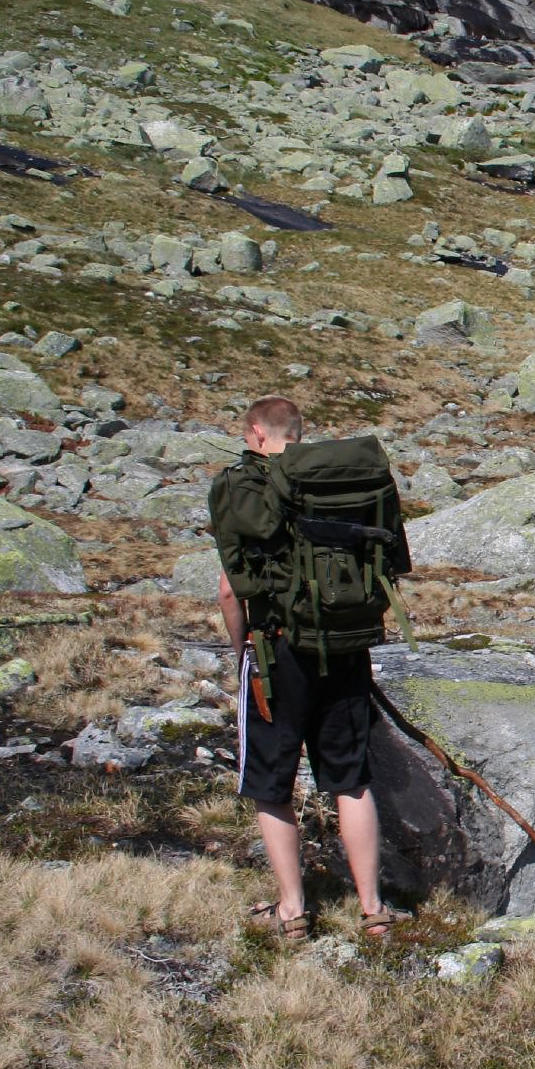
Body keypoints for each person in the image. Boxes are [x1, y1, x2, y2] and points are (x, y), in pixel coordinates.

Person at [213, 396, 401, 943]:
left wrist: (239, 648)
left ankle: (293, 910)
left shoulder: (245, 485)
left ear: (255, 433)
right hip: (345, 644)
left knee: (271, 783)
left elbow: (230, 588)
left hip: (277, 651)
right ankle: (373, 909)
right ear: (299, 432)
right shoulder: (340, 480)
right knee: (350, 777)